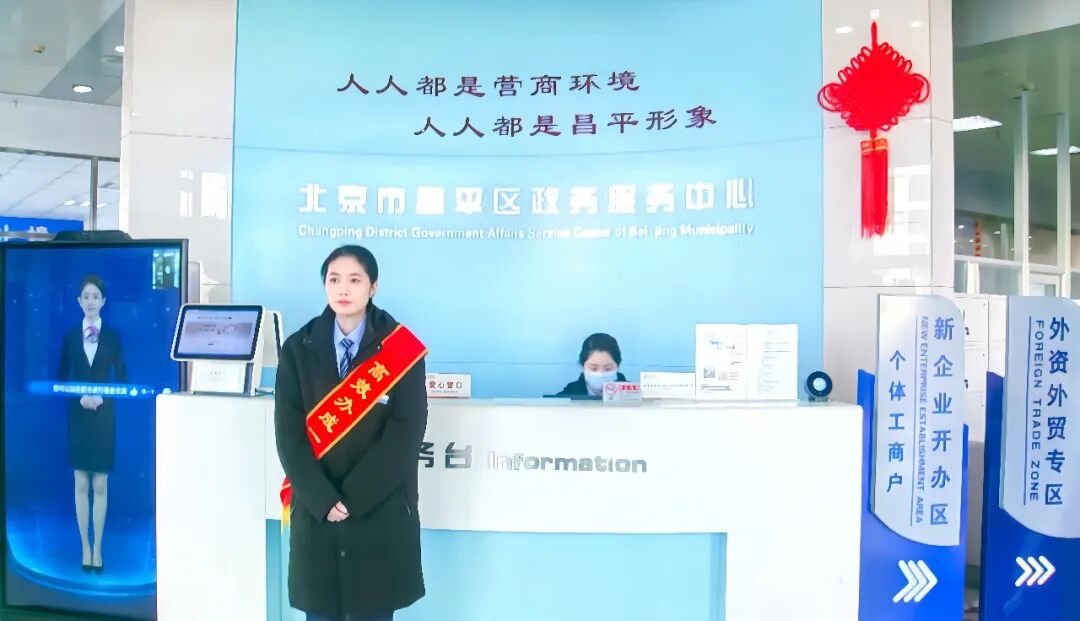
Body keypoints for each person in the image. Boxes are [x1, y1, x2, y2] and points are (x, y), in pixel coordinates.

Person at [275, 245, 429, 621]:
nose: (343, 288)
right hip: (318, 509)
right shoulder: (298, 348)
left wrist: (354, 499)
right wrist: (323, 499)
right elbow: (289, 434)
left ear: (373, 287)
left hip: (377, 510)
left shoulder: (400, 349)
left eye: (355, 279)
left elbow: (406, 431)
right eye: (334, 279)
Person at [57, 274, 127, 573]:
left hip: (103, 416)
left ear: (103, 301)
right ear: (78, 301)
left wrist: (102, 397)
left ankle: (98, 548)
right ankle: (84, 548)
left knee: (100, 483)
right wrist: (79, 397)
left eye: (95, 296)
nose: (90, 301)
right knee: (80, 482)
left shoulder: (113, 337)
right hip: (78, 417)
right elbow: (60, 379)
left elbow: (122, 379)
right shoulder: (70, 337)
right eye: (85, 296)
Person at [556, 333, 627, 397]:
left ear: (617, 366)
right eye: (593, 368)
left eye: (608, 369)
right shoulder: (566, 398)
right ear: (582, 367)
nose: (600, 374)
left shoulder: (632, 395)